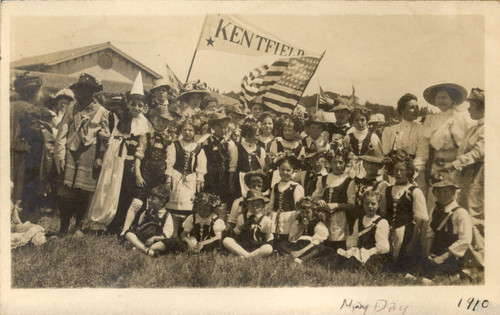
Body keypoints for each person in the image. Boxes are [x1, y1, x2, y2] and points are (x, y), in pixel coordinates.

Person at [86, 72, 152, 234]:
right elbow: (112, 139)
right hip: (115, 160)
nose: (136, 108)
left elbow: (142, 148)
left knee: (126, 193)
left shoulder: (144, 124)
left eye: (139, 105)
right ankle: (106, 222)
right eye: (133, 104)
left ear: (143, 107)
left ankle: (122, 224)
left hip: (132, 162)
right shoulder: (120, 120)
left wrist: (137, 170)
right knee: (111, 189)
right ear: (128, 104)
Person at [54, 73, 110, 235]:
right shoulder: (72, 108)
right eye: (78, 90)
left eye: (83, 90)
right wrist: (60, 155)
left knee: (83, 192)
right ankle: (63, 227)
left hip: (89, 155)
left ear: (91, 92)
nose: (79, 94)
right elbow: (62, 134)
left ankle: (79, 226)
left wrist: (100, 157)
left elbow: (105, 138)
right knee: (66, 192)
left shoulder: (101, 111)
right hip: (71, 152)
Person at [443, 88, 484, 268]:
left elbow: (479, 151)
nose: (468, 109)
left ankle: (478, 263)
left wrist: (457, 163)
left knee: (475, 217)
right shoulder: (474, 127)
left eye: (472, 105)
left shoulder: (487, 128)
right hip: (468, 177)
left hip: (478, 176)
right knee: (467, 215)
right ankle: (467, 260)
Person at [119, 105, 175, 236]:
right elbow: (139, 155)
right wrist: (138, 174)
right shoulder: (146, 136)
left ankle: (149, 232)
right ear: (154, 120)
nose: (162, 124)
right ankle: (124, 231)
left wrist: (168, 179)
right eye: (159, 120)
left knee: (155, 205)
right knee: (137, 202)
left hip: (160, 175)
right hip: (146, 173)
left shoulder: (170, 141)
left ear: (168, 123)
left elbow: (170, 162)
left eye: (165, 121)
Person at [421, 83, 473, 207]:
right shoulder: (431, 119)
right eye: (438, 97)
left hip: (456, 167)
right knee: (435, 202)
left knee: (454, 202)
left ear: (453, 99)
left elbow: (469, 144)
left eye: (444, 97)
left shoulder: (464, 118)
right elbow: (427, 146)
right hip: (436, 167)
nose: (441, 101)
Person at [383, 150, 428, 274]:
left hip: (408, 236)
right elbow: (383, 214)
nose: (398, 173)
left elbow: (420, 220)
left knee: (404, 268)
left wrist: (412, 244)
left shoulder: (414, 191)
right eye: (396, 170)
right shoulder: (387, 190)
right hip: (388, 233)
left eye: (402, 170)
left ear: (408, 171)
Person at [422, 180, 472, 284]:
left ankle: (459, 274)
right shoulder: (434, 210)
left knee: (429, 281)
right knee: (419, 273)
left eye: (446, 192)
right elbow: (431, 233)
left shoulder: (460, 213)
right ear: (434, 193)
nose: (442, 195)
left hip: (452, 256)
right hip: (436, 254)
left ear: (453, 194)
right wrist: (428, 253)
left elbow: (465, 240)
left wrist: (442, 257)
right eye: (438, 192)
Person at [331, 190, 390, 274]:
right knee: (348, 259)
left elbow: (383, 246)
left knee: (372, 264)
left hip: (374, 253)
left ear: (379, 205)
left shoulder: (381, 222)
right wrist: (354, 248)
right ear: (363, 204)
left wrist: (369, 252)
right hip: (360, 251)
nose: (370, 206)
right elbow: (354, 238)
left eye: (373, 203)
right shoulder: (359, 221)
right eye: (367, 203)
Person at [165, 118, 207, 237]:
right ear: (181, 131)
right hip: (176, 178)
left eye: (190, 130)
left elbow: (201, 167)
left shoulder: (198, 148)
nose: (187, 132)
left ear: (194, 132)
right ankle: (174, 232)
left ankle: (185, 232)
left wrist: (199, 179)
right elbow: (169, 163)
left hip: (190, 180)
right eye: (185, 130)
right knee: (174, 206)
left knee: (188, 206)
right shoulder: (175, 145)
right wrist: (168, 178)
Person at [11, 72, 44, 221]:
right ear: (34, 92)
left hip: (8, 150)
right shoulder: (30, 109)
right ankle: (22, 217)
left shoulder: (10, 105)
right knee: (21, 186)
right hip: (22, 152)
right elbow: (36, 135)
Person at [381, 93, 429, 190]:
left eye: (417, 107)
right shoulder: (390, 130)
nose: (416, 110)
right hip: (394, 174)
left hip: (416, 174)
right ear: (402, 110)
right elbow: (386, 154)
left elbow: (422, 156)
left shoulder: (422, 129)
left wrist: (410, 174)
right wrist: (395, 173)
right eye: (412, 107)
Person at [313, 144, 354, 250]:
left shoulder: (348, 181)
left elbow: (351, 204)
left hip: (340, 218)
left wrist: (336, 205)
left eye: (341, 162)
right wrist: (320, 201)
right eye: (335, 162)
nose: (338, 165)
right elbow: (315, 196)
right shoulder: (323, 179)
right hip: (324, 216)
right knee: (322, 240)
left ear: (345, 163)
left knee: (337, 244)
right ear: (330, 163)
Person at [124, 185, 181, 257]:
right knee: (128, 233)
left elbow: (166, 235)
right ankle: (147, 250)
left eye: (153, 199)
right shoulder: (146, 212)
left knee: (170, 242)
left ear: (162, 202)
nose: (149, 200)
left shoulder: (166, 215)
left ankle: (140, 248)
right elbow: (140, 225)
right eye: (149, 198)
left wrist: (153, 238)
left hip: (156, 241)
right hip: (143, 238)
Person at [275, 197, 329, 264]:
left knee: (320, 248)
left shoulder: (318, 224)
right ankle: (293, 257)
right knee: (282, 244)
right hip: (298, 245)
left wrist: (300, 252)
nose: (305, 215)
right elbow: (292, 239)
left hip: (309, 247)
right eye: (302, 212)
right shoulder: (297, 223)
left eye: (308, 212)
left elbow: (316, 241)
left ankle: (301, 260)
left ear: (314, 212)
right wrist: (301, 228)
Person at [347, 148, 389, 233]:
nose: (370, 166)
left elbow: (383, 211)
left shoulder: (383, 185)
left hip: (374, 225)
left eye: (374, 164)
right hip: (357, 222)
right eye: (367, 162)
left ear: (380, 166)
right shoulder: (356, 182)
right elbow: (351, 204)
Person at [223, 189, 274, 259]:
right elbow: (236, 233)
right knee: (227, 240)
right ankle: (248, 255)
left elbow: (269, 237)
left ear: (263, 206)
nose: (255, 207)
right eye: (252, 204)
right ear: (247, 205)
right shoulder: (241, 218)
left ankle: (245, 257)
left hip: (258, 246)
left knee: (268, 248)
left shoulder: (266, 220)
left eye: (258, 205)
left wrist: (269, 246)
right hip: (243, 246)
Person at [202, 111, 237, 206]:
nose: (223, 130)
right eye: (219, 127)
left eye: (225, 127)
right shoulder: (206, 141)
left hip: (223, 177)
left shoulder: (230, 143)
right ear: (213, 127)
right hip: (209, 176)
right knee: (207, 201)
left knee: (222, 203)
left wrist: (230, 181)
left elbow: (232, 164)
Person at [268, 155, 305, 242]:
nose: (285, 172)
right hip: (276, 217)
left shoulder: (296, 187)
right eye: (282, 169)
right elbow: (271, 203)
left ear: (293, 171)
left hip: (289, 218)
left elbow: (299, 206)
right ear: (278, 170)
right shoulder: (275, 186)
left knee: (286, 238)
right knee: (275, 237)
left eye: (288, 170)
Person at [231, 118, 267, 199]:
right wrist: (231, 184)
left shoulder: (260, 150)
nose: (259, 137)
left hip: (255, 182)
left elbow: (263, 168)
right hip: (241, 180)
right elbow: (232, 168)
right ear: (248, 135)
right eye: (257, 135)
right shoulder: (237, 149)